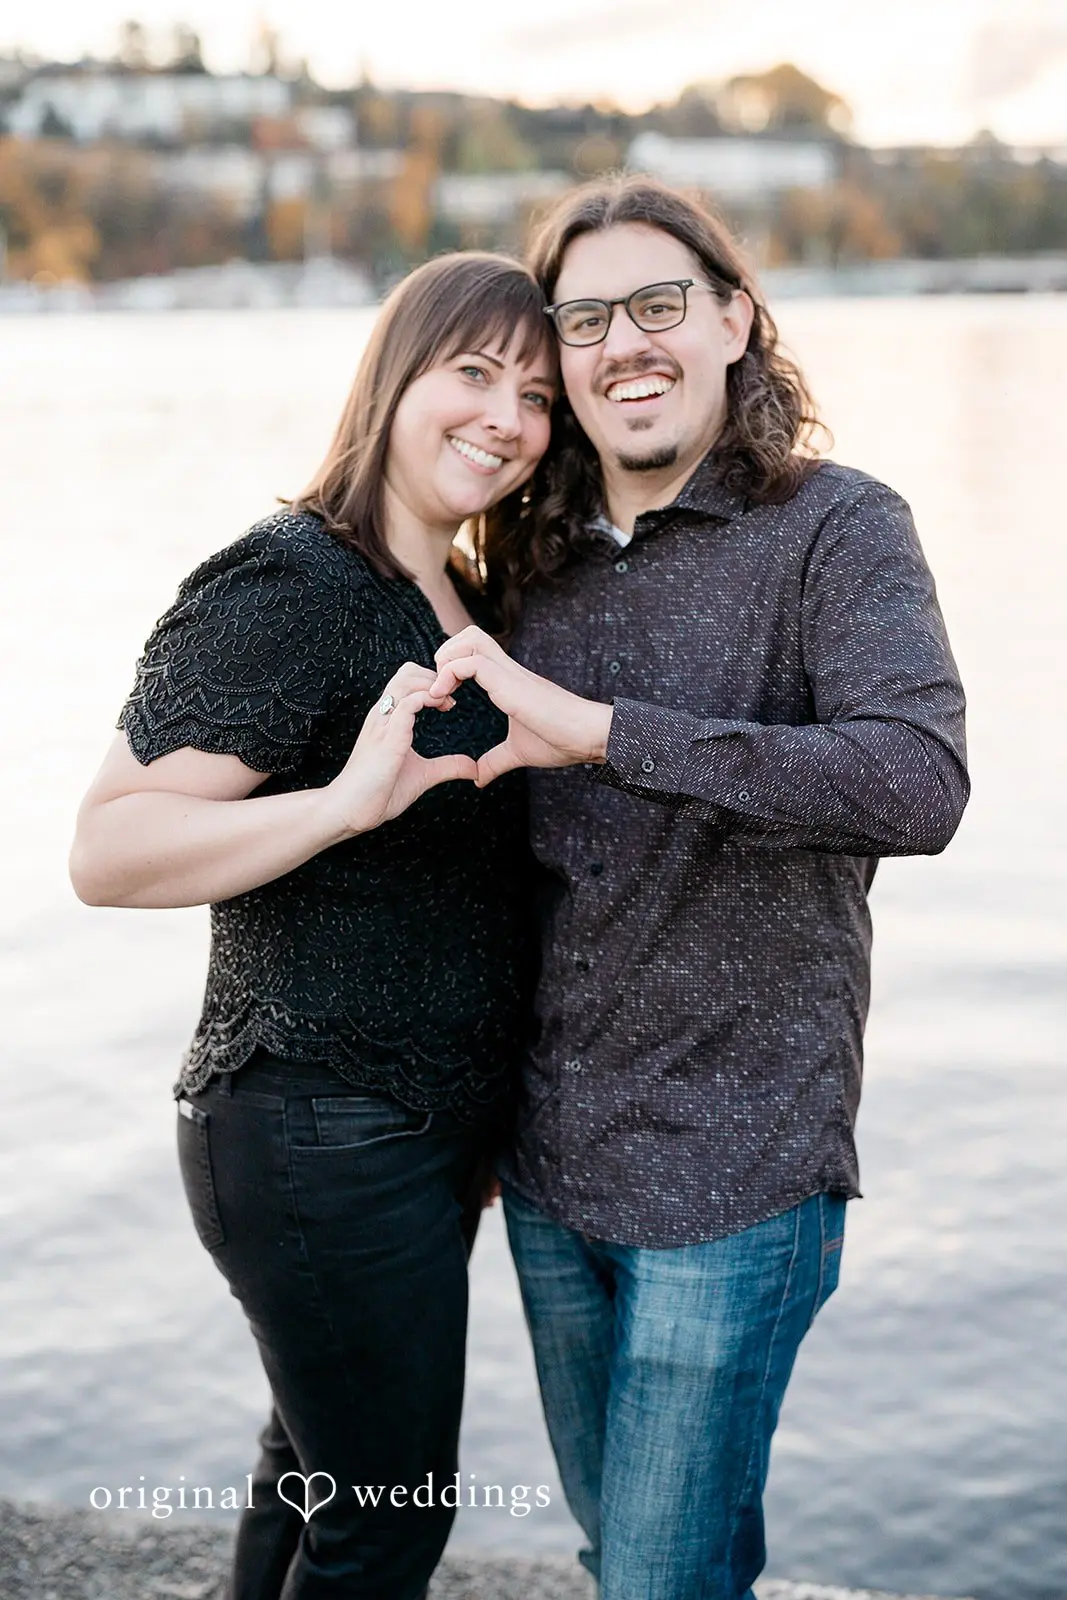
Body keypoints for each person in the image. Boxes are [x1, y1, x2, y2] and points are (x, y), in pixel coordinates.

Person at [433, 177, 970, 1600]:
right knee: (644, 1558)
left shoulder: (835, 531)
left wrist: (602, 731)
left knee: (653, 1579)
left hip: (738, 1181)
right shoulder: (525, 564)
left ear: (735, 318)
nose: (625, 345)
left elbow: (915, 783)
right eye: (587, 318)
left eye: (658, 304)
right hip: (549, 1170)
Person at [68, 252, 556, 1600]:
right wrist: (343, 804)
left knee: (317, 1463)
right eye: (471, 373)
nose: (505, 417)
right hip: (311, 1126)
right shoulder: (287, 582)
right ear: (393, 378)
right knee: (387, 1517)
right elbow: (108, 852)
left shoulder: (464, 594)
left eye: (533, 393)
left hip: (417, 1131)